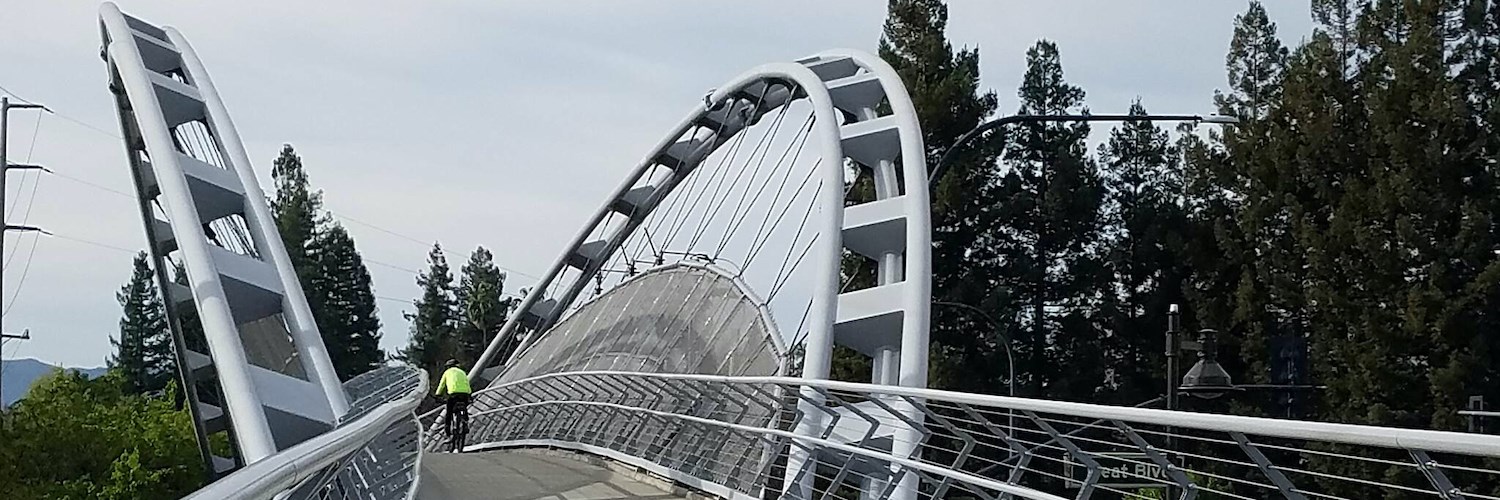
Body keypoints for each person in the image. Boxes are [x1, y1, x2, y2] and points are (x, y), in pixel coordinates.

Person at [433, 359, 472, 451]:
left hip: (453, 394)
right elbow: (467, 384)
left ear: (448, 367)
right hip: (465, 394)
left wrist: (437, 395)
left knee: (449, 414)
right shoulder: (462, 372)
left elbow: (441, 385)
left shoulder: (447, 373)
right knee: (464, 406)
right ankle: (465, 422)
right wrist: (469, 395)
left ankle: (448, 435)